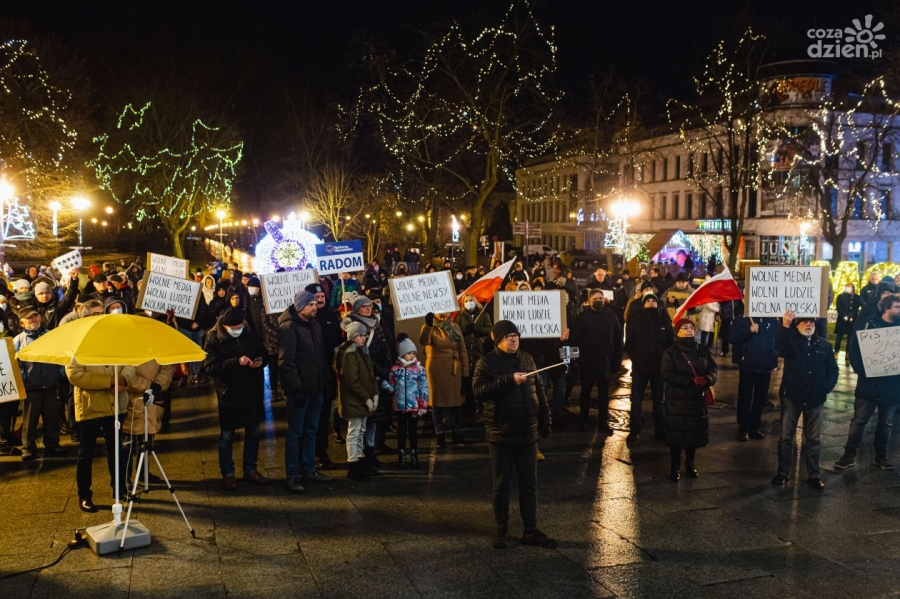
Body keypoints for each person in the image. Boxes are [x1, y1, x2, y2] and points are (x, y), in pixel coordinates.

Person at [473, 320, 555, 550]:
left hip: (527, 434)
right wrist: (508, 380)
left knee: (529, 485)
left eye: (516, 336)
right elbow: (479, 392)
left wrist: (545, 421)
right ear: (497, 339)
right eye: (509, 336)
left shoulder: (527, 358)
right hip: (502, 435)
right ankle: (502, 528)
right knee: (502, 485)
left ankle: (530, 530)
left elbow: (539, 391)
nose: (514, 340)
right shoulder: (486, 362)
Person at [203, 307, 270, 490]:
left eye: (240, 326)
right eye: (234, 328)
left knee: (253, 432)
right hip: (230, 393)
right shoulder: (213, 338)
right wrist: (236, 362)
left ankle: (250, 469)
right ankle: (228, 473)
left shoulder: (249, 333)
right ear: (225, 326)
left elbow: (262, 352)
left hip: (251, 391)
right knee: (227, 436)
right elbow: (210, 367)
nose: (238, 330)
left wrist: (259, 361)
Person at [771, 311, 838, 489]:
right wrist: (785, 326)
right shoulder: (790, 342)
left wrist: (825, 387)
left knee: (814, 439)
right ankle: (783, 472)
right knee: (786, 437)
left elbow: (832, 369)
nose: (809, 324)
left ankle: (814, 474)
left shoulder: (824, 345)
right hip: (792, 396)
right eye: (804, 321)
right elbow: (779, 348)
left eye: (812, 321)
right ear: (797, 324)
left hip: (815, 398)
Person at [835, 293, 900, 470]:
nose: (899, 310)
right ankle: (849, 455)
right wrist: (863, 371)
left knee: (886, 423)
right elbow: (854, 351)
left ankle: (881, 456)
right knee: (859, 421)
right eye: (897, 307)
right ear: (886, 307)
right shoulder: (867, 325)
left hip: (892, 385)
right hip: (868, 384)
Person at [279, 289, 332, 492]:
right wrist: (296, 388)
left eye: (315, 304)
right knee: (296, 433)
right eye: (311, 304)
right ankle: (293, 474)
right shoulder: (289, 327)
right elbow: (286, 362)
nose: (315, 307)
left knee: (311, 430)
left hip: (316, 387)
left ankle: (309, 468)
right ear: (301, 307)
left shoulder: (313, 324)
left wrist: (324, 382)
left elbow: (320, 356)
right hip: (300, 390)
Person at [66, 359, 136, 512]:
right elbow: (74, 374)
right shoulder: (78, 347)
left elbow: (130, 362)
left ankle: (120, 488)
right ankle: (84, 495)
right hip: (90, 405)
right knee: (86, 452)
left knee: (116, 449)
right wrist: (109, 381)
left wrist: (123, 379)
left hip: (115, 403)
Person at [661, 319, 716, 481]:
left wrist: (707, 379)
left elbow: (713, 369)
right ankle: (675, 465)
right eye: (685, 328)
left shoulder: (703, 350)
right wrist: (689, 381)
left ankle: (690, 463)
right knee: (677, 434)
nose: (689, 330)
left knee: (694, 433)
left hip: (697, 399)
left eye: (691, 327)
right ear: (677, 332)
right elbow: (667, 374)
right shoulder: (671, 352)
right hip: (677, 399)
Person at [14, 309, 66, 461]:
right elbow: (14, 364)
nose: (34, 319)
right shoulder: (18, 341)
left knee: (52, 418)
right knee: (29, 421)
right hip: (30, 388)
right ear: (22, 322)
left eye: (36, 316)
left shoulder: (51, 336)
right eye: (29, 318)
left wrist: (59, 374)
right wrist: (23, 379)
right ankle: (28, 448)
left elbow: (61, 356)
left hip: (51, 385)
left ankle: (53, 445)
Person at [570, 288, 622, 432]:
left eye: (600, 298)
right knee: (585, 393)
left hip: (605, 361)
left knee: (604, 395)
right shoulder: (582, 318)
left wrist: (617, 359)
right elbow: (574, 340)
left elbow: (618, 339)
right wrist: (573, 361)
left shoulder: (611, 316)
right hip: (586, 361)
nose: (599, 301)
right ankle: (583, 420)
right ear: (589, 301)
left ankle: (603, 421)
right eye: (595, 299)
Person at [625, 294, 673, 442]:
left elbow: (670, 344)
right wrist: (637, 359)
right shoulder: (636, 322)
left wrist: (664, 361)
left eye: (653, 301)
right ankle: (634, 429)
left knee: (659, 401)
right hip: (640, 368)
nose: (651, 303)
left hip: (659, 368)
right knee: (636, 400)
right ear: (643, 304)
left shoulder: (664, 322)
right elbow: (629, 345)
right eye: (648, 301)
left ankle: (660, 431)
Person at [336, 321, 379, 481]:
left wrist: (374, 394)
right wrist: (367, 397)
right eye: (360, 335)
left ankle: (360, 461)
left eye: (365, 335)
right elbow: (352, 381)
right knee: (354, 432)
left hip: (361, 399)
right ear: (352, 337)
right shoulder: (350, 354)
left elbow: (370, 375)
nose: (364, 338)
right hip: (354, 400)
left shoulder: (361, 351)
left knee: (360, 431)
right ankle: (353, 465)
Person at [420, 310, 469, 447]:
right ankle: (439, 434)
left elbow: (462, 350)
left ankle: (457, 434)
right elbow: (424, 341)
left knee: (456, 404)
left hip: (454, 370)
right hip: (436, 370)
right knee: (437, 404)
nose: (444, 314)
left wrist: (465, 373)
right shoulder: (430, 327)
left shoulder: (455, 326)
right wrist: (428, 325)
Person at [728, 315, 778, 441]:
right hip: (748, 365)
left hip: (766, 365)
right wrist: (749, 330)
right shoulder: (743, 318)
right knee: (745, 397)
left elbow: (780, 338)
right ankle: (743, 428)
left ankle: (755, 427)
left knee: (760, 399)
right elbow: (731, 337)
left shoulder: (772, 319)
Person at [123, 360, 173, 486]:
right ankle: (125, 477)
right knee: (128, 444)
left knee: (147, 439)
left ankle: (143, 472)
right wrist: (148, 385)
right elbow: (125, 375)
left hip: (152, 401)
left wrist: (158, 384)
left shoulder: (156, 350)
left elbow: (167, 368)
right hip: (132, 401)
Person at [389, 334, 429, 468]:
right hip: (400, 406)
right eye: (409, 353)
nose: (412, 356)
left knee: (413, 431)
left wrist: (423, 405)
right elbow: (391, 386)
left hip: (414, 406)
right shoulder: (395, 370)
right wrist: (385, 385)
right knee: (401, 431)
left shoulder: (419, 370)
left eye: (413, 353)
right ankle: (401, 454)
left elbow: (424, 388)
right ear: (402, 354)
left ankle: (414, 453)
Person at [456, 293, 493, 414]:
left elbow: (489, 330)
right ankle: (468, 406)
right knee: (466, 381)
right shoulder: (460, 317)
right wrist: (466, 329)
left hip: (479, 353)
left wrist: (476, 328)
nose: (469, 303)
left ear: (475, 301)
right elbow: (456, 332)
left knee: (478, 380)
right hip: (465, 354)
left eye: (471, 300)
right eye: (466, 301)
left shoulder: (483, 315)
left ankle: (479, 407)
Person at [834, 283, 861, 361]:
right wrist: (844, 315)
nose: (848, 288)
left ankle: (848, 353)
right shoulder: (841, 296)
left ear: (853, 288)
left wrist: (851, 316)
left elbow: (856, 308)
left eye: (849, 287)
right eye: (847, 287)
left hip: (852, 320)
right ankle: (836, 351)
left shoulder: (857, 297)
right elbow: (838, 307)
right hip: (842, 319)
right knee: (839, 336)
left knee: (850, 337)